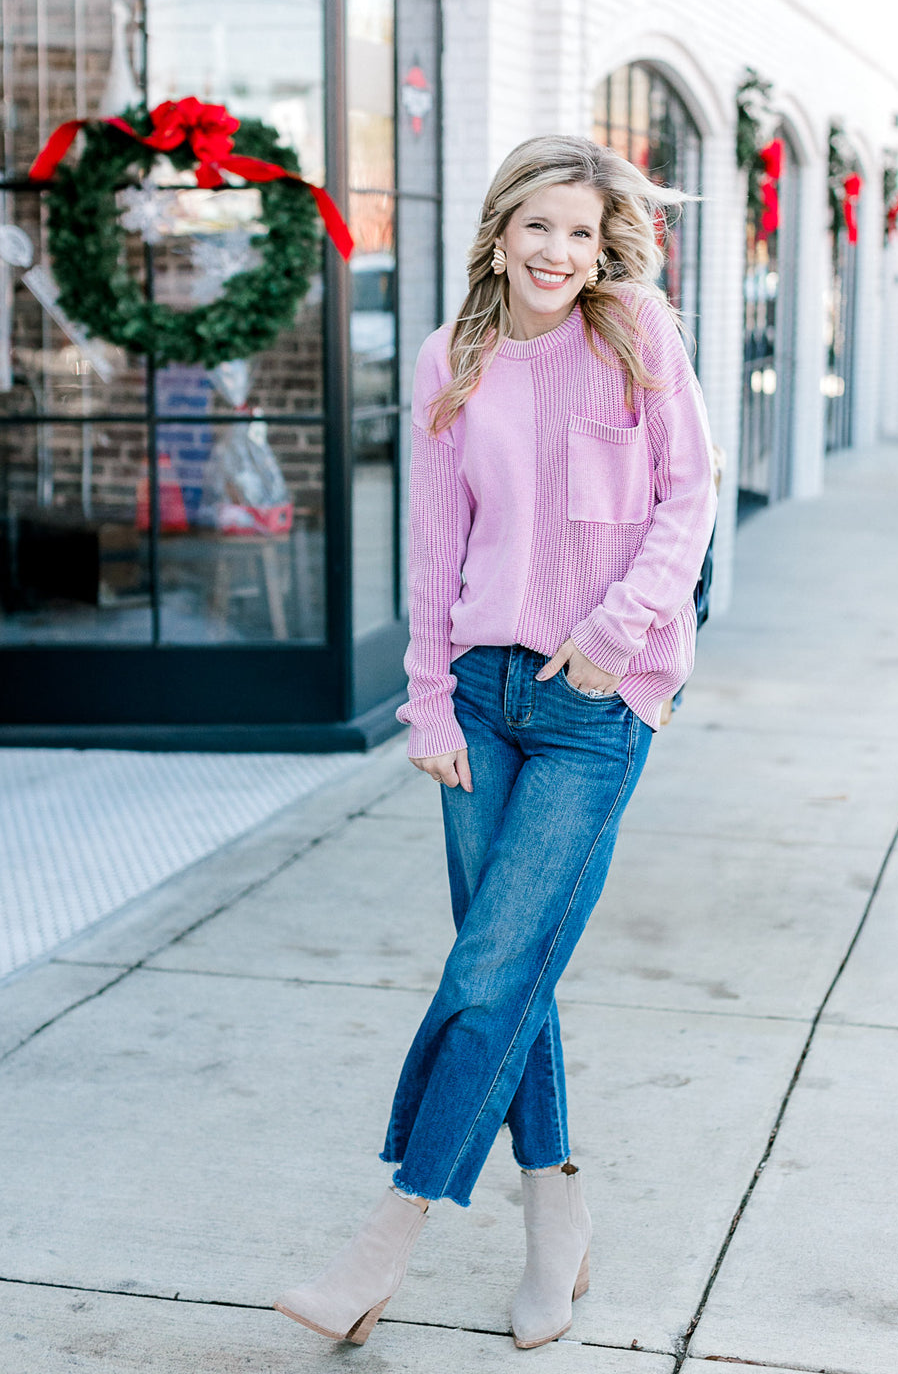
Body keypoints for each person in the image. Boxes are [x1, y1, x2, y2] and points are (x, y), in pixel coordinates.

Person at [274, 134, 717, 1350]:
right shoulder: (452, 355)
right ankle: (556, 1222)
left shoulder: (634, 333)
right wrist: (426, 698)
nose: (560, 254)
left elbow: (692, 497)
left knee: (488, 973)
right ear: (500, 229)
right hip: (478, 696)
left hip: (593, 707)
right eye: (539, 227)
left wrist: (612, 638)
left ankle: (385, 1243)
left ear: (603, 244)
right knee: (512, 969)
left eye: (582, 232)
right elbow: (434, 545)